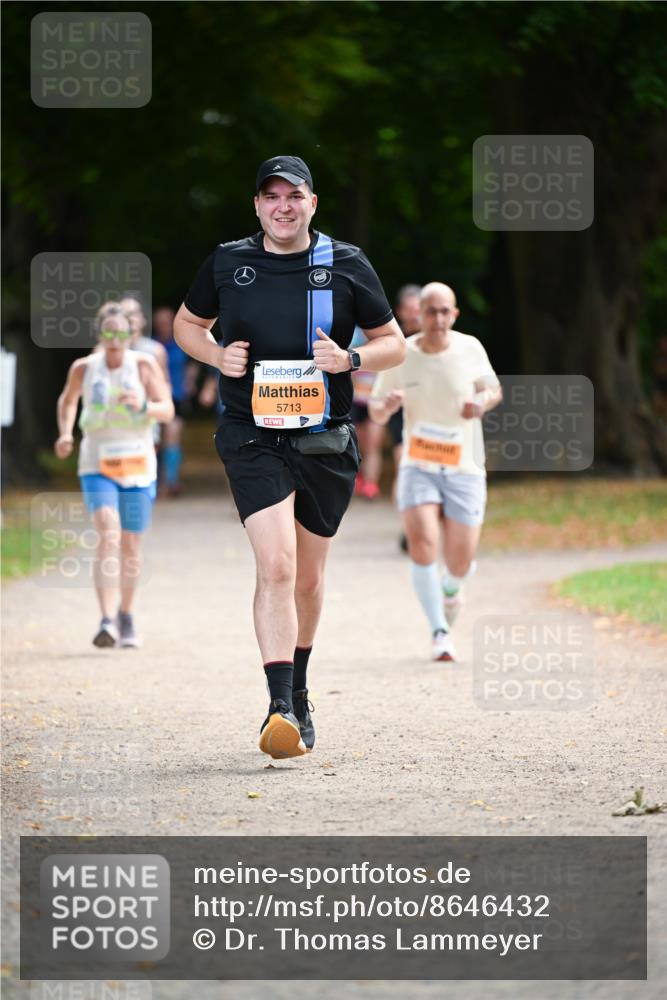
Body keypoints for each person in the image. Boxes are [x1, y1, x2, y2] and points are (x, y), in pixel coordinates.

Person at [173, 155, 406, 759]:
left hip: (325, 437)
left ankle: (300, 690)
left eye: (293, 196)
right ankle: (278, 707)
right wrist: (213, 356)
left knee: (307, 576)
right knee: (274, 566)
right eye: (270, 196)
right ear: (257, 205)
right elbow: (187, 325)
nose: (282, 206)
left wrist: (350, 361)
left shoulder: (346, 262)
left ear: (312, 203)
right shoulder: (229, 260)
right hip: (252, 433)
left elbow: (393, 345)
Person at [369, 282, 502, 662]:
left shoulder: (470, 347)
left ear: (454, 315)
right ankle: (439, 632)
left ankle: (450, 587)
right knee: (423, 543)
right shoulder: (401, 354)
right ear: (418, 315)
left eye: (446, 312)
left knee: (460, 561)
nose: (439, 319)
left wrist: (480, 402)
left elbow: (493, 389)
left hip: (464, 465)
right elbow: (376, 411)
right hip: (419, 463)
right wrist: (388, 407)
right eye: (432, 311)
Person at [54, 303, 174, 648]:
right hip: (97, 462)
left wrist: (142, 405)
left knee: (131, 544)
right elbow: (67, 401)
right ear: (100, 335)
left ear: (132, 334)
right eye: (108, 333)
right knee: (108, 531)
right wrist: (65, 433)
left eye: (122, 333)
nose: (115, 339)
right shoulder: (84, 367)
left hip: (137, 463)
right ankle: (106, 619)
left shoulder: (144, 365)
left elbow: (167, 409)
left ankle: (126, 614)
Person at [152, 305, 198, 496]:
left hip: (177, 396)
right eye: (161, 322)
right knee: (157, 441)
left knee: (172, 437)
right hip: (154, 397)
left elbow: (193, 362)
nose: (164, 326)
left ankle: (171, 481)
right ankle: (155, 480)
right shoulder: (151, 346)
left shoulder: (182, 343)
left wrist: (190, 381)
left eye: (167, 322)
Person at [392, 284, 422, 549]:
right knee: (404, 465)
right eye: (410, 308)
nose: (415, 313)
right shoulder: (393, 339)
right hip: (401, 411)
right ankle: (408, 526)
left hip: (431, 413)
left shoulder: (437, 337)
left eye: (419, 308)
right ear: (400, 312)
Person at [349, 327, 384, 500]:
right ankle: (358, 479)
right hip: (357, 402)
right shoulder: (355, 341)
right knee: (357, 445)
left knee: (373, 445)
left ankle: (371, 484)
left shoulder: (385, 347)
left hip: (375, 403)